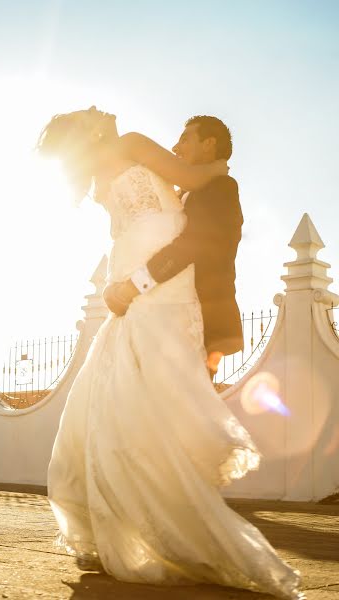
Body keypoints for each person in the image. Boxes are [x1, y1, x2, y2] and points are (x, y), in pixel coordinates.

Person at [37, 106, 304, 600]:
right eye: (92, 111)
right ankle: (158, 517)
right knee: (150, 402)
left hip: (144, 279)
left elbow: (177, 216)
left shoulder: (102, 177)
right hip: (155, 286)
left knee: (132, 401)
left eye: (187, 136)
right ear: (93, 129)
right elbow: (198, 177)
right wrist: (210, 170)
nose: (101, 108)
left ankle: (126, 518)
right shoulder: (140, 146)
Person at [103, 115, 244, 379]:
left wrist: (134, 286)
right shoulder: (179, 197)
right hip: (166, 317)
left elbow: (191, 246)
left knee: (186, 409)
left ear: (209, 144)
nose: (176, 147)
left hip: (201, 322)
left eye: (185, 138)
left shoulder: (223, 187)